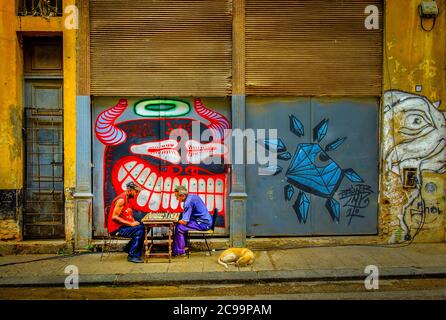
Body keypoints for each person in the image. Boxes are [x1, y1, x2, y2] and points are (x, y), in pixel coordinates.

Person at [106, 181, 145, 263]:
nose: (137, 193)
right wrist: (131, 224)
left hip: (123, 226)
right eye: (136, 191)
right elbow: (114, 217)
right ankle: (132, 255)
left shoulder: (128, 199)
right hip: (117, 229)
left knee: (145, 226)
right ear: (130, 190)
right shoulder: (121, 200)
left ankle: (128, 248)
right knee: (140, 230)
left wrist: (133, 221)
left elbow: (126, 215)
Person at [172, 185, 213, 257]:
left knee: (179, 227)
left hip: (203, 223)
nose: (176, 199)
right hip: (205, 221)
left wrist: (175, 220)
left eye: (177, 197)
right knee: (181, 226)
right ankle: (183, 247)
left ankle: (180, 251)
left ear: (183, 196)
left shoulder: (188, 203)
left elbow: (185, 221)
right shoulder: (192, 196)